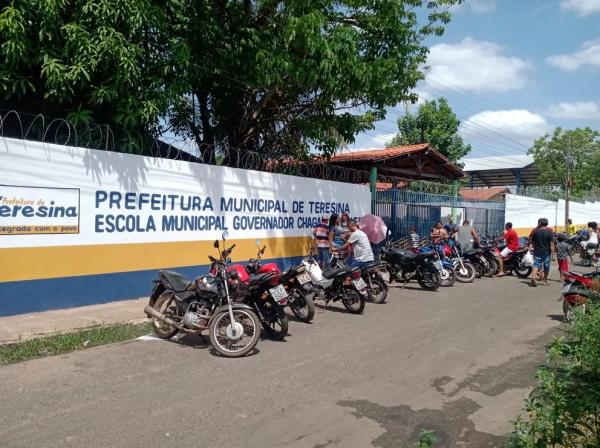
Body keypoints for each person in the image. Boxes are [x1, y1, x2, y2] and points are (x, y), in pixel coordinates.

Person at [529, 218, 556, 287]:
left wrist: (533, 247)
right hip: (546, 252)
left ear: (540, 223)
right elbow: (552, 244)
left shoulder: (535, 231)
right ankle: (544, 281)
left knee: (536, 265)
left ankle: (533, 276)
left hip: (537, 251)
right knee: (546, 267)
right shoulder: (550, 231)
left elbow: (531, 241)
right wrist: (553, 254)